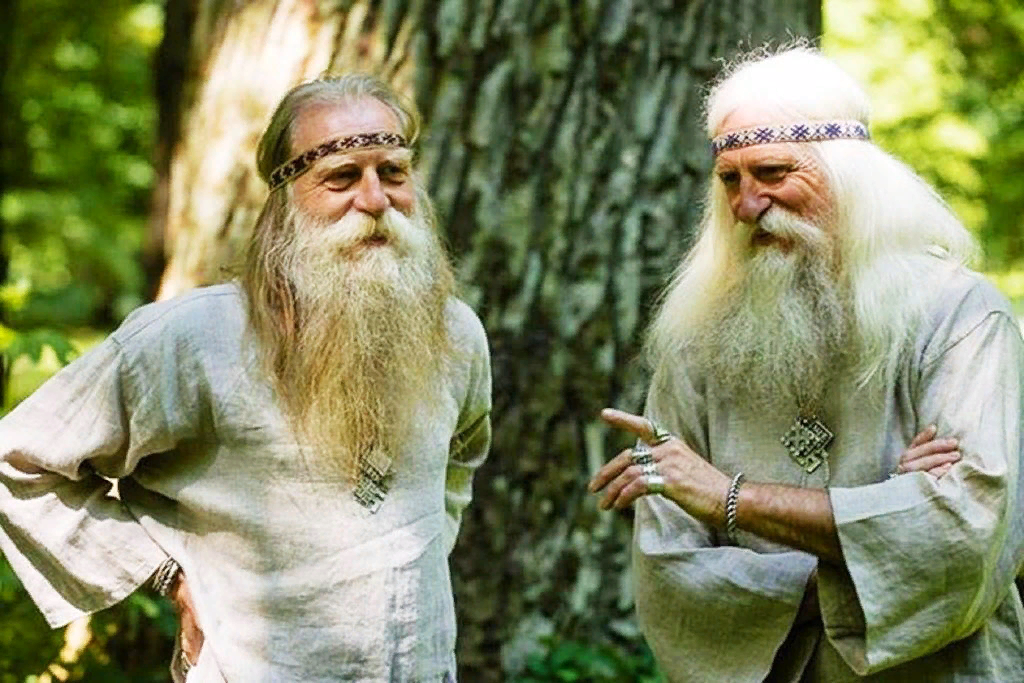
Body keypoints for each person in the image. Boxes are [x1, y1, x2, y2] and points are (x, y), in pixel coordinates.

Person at [0, 74, 491, 682]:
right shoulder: (194, 337)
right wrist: (167, 575)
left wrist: (410, 549)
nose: (374, 200)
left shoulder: (454, 334)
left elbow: (462, 453)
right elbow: (17, 460)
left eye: (392, 173)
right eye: (341, 177)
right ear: (285, 200)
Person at [589, 46, 1024, 681]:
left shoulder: (958, 315)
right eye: (729, 180)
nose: (747, 205)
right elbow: (669, 571)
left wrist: (728, 500)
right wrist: (883, 528)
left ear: (849, 176)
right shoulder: (696, 337)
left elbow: (968, 538)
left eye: (772, 172)